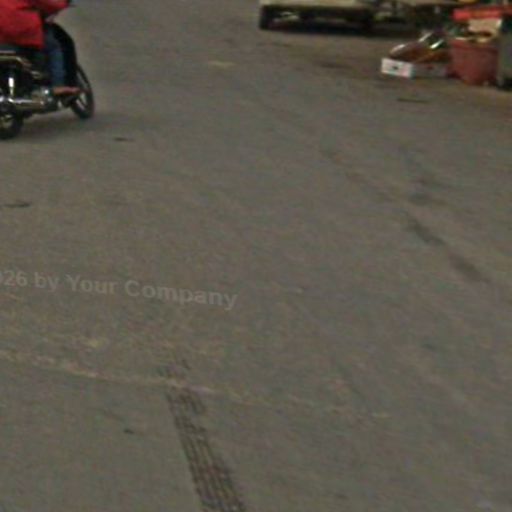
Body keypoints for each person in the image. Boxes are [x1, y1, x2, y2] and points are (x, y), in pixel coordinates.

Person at [0, 0, 79, 95]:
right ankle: (58, 85)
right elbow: (49, 3)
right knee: (54, 47)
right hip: (22, 32)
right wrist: (63, 3)